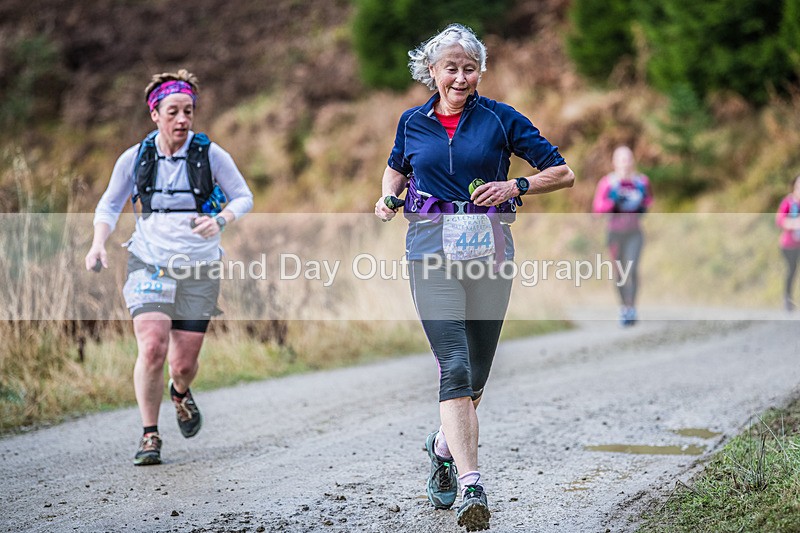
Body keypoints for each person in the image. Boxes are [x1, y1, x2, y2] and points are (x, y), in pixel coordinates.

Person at [374, 24, 574, 532]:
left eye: (469, 67)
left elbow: (563, 172)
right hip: (429, 253)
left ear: (479, 71)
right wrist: (388, 197)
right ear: (432, 71)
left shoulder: (501, 119)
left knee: (477, 375)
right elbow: (397, 168)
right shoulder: (411, 122)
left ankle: (442, 447)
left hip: (490, 255)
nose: (460, 76)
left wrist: (516, 183)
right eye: (451, 67)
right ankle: (471, 485)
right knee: (455, 364)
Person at [84, 69, 253, 465]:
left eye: (188, 111)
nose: (182, 120)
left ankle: (179, 392)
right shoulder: (136, 157)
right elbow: (109, 204)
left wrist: (221, 220)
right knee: (153, 346)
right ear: (155, 114)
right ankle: (149, 435)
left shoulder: (210, 154)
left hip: (200, 266)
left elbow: (243, 197)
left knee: (183, 363)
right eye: (173, 111)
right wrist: (97, 244)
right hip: (149, 262)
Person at [592, 146, 653, 326]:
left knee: (632, 269)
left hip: (635, 233)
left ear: (633, 161)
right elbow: (597, 208)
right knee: (619, 272)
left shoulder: (641, 181)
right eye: (621, 160)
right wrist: (613, 203)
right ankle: (623, 308)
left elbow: (649, 200)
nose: (625, 163)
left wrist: (642, 205)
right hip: (614, 234)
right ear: (614, 162)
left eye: (628, 159)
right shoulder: (608, 183)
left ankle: (632, 307)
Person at [775, 174, 800, 311]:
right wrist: (792, 223)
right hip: (789, 244)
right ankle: (787, 298)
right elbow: (779, 220)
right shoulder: (788, 202)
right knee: (792, 270)